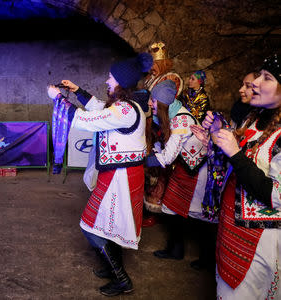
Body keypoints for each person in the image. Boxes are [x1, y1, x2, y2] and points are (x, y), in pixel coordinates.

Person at [47, 52, 152, 296]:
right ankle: (111, 266)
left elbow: (87, 119)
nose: (107, 81)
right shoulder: (125, 106)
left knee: (91, 227)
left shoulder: (124, 110)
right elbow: (98, 109)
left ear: (121, 83)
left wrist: (58, 99)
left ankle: (121, 278)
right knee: (109, 225)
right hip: (118, 175)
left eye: (110, 78)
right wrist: (77, 90)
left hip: (120, 177)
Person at [201, 54, 280, 299]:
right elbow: (238, 164)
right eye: (259, 75)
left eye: (266, 78)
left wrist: (234, 152)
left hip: (257, 240)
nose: (255, 82)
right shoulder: (253, 118)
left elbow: (275, 196)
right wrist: (215, 136)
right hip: (232, 230)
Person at [144, 80, 214, 268]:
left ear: (164, 104)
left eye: (154, 101)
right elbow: (165, 146)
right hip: (185, 166)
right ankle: (176, 250)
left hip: (198, 171)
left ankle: (207, 259)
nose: (151, 104)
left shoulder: (181, 120)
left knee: (199, 215)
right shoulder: (172, 115)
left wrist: (137, 161)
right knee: (169, 207)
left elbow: (166, 157)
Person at [142, 42, 184, 227]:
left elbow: (164, 105)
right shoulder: (150, 78)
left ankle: (157, 210)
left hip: (162, 128)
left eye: (154, 63)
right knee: (150, 171)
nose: (151, 67)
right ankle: (146, 206)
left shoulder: (171, 78)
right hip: (150, 127)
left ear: (163, 63)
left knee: (160, 171)